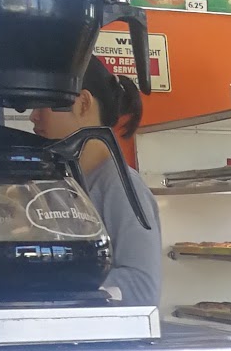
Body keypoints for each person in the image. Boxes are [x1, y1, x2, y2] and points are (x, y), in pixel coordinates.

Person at [30, 54, 161, 309]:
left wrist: (52, 285)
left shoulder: (121, 187)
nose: (33, 116)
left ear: (83, 104)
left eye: (44, 104)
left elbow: (143, 287)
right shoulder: (64, 183)